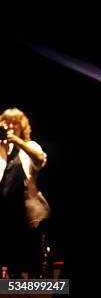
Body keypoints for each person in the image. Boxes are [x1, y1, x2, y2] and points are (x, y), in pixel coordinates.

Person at [0, 108, 48, 277]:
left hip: (26, 213)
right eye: (7, 123)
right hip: (5, 213)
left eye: (15, 123)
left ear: (21, 126)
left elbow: (40, 159)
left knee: (31, 261)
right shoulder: (1, 150)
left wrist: (17, 141)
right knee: (11, 263)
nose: (11, 126)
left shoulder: (29, 146)